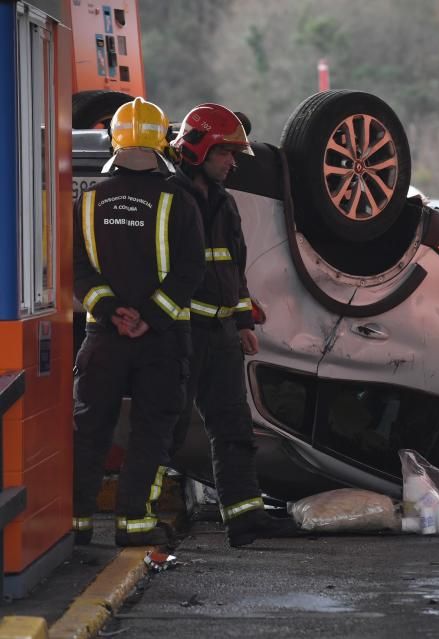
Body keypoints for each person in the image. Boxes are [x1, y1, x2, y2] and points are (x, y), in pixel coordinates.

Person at [72, 97, 205, 547]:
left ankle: (78, 525)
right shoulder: (179, 200)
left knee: (90, 429)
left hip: (102, 338)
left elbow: (76, 268)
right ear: (162, 144)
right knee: (153, 429)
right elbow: (191, 270)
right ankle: (133, 521)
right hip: (160, 339)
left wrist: (112, 311)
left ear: (115, 140)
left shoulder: (87, 199)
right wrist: (147, 317)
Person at [168, 103, 296, 547]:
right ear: (200, 150)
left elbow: (234, 270)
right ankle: (139, 517)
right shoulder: (171, 200)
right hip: (180, 336)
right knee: (165, 428)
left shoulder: (225, 204)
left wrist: (243, 321)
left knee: (234, 429)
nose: (233, 162)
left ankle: (245, 519)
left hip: (221, 337)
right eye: (226, 154)